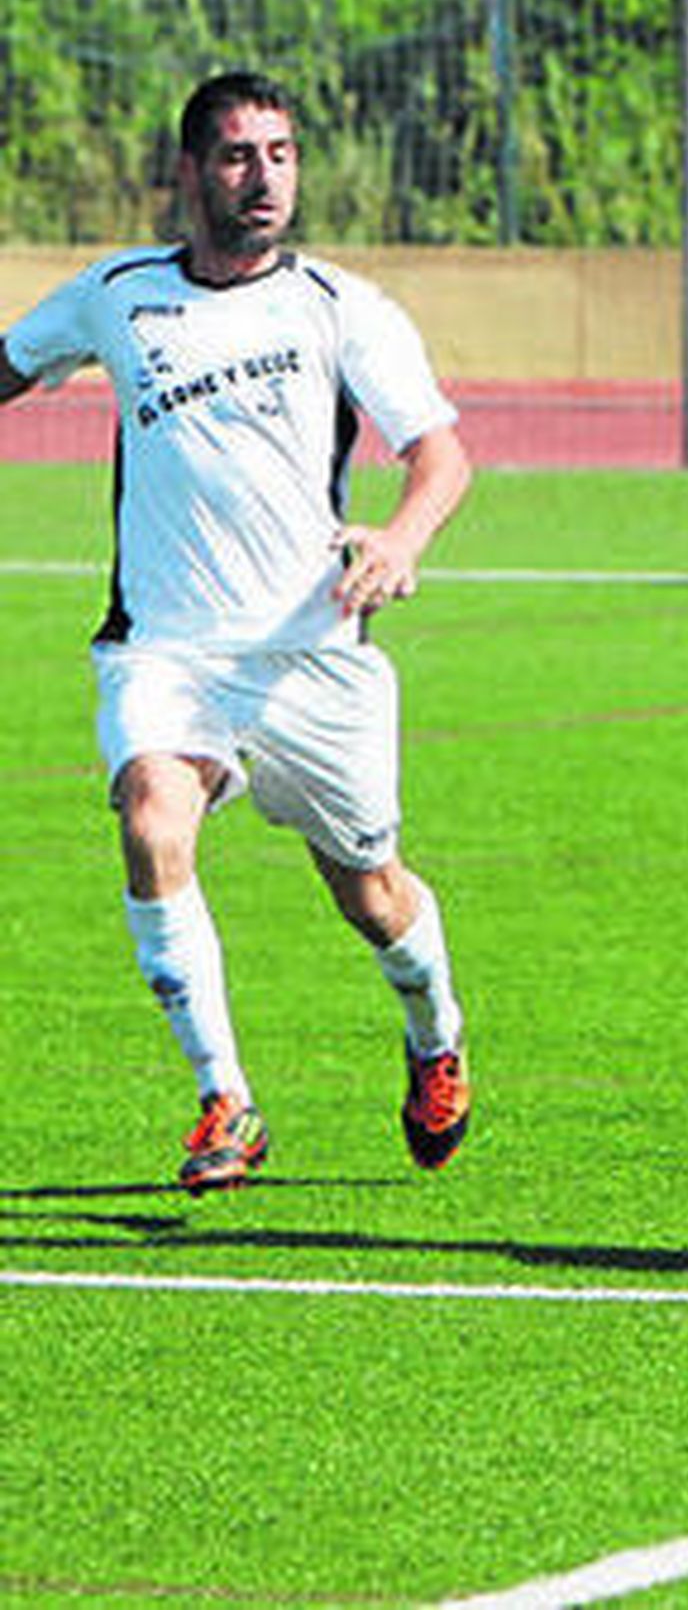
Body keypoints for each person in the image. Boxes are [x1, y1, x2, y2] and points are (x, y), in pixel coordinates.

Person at [0, 71, 474, 1192]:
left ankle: (436, 1034)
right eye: (237, 155)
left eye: (281, 154)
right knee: (152, 817)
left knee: (371, 893)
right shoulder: (117, 295)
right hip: (165, 648)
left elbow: (440, 455)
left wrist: (400, 538)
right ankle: (226, 1098)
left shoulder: (338, 305)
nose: (264, 178)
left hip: (312, 652)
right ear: (189, 171)